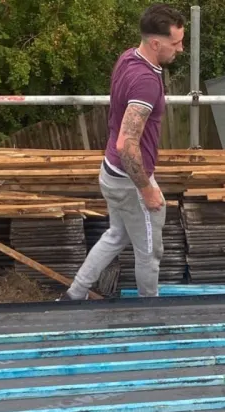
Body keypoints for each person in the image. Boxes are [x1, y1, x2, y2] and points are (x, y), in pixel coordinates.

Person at [67, 4, 186, 300]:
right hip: (129, 180)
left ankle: (75, 294)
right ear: (156, 43)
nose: (180, 49)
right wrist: (146, 189)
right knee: (149, 252)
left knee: (116, 235)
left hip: (111, 173)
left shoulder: (128, 58)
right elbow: (126, 143)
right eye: (176, 43)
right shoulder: (146, 82)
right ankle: (149, 311)